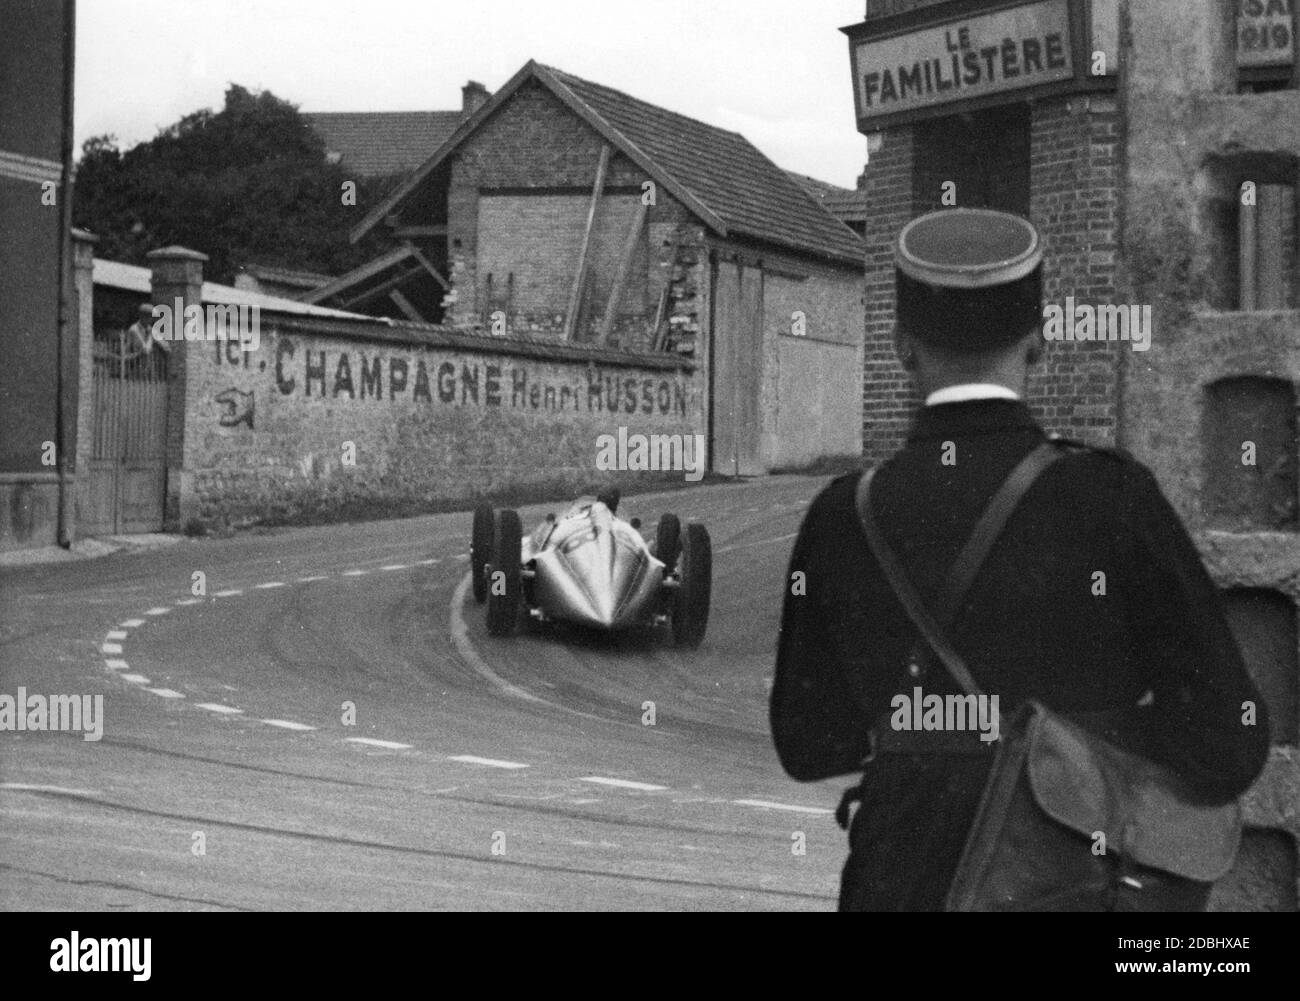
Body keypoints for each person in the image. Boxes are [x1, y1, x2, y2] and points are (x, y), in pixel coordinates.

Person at [769, 208, 1270, 911]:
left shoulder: (842, 515)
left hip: (896, 878)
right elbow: (1229, 741)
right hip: (1076, 884)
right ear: (1038, 343)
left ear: (901, 345)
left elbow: (808, 742)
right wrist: (1072, 742)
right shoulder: (1113, 497)